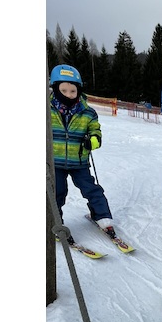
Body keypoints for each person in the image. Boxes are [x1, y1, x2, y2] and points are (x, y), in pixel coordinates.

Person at [49, 64, 117, 242]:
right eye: (64, 90)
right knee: (57, 193)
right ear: (55, 89)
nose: (69, 94)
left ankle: (102, 217)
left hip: (79, 162)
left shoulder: (88, 112)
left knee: (91, 189)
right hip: (55, 163)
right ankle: (55, 223)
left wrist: (92, 140)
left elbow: (96, 132)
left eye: (73, 91)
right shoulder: (47, 111)